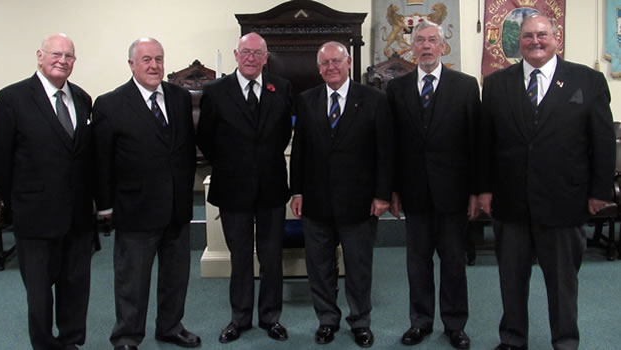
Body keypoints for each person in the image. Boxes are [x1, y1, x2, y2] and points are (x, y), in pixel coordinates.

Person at [478, 14, 615, 350]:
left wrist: (600, 191)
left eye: (542, 35)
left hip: (564, 201)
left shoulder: (588, 80)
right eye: (527, 36)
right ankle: (512, 338)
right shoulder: (497, 83)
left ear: (557, 38)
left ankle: (565, 341)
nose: (535, 41)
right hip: (511, 202)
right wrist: (483, 189)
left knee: (562, 283)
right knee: (511, 280)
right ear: (517, 42)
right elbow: (485, 142)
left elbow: (602, 140)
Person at [0, 33, 94, 350]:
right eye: (56, 54)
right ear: (39, 56)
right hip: (35, 214)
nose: (63, 61)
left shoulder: (83, 99)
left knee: (76, 285)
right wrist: (17, 199)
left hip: (77, 215)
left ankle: (71, 341)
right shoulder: (12, 98)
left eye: (69, 56)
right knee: (39, 291)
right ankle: (45, 345)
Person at [92, 37, 200, 350]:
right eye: (146, 60)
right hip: (135, 207)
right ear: (131, 65)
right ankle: (126, 336)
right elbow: (101, 160)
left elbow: (182, 149)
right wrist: (105, 206)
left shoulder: (180, 98)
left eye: (159, 59)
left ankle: (170, 326)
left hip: (177, 207)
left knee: (176, 276)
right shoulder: (110, 104)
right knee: (132, 281)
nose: (154, 66)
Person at [290, 41, 393, 348]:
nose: (330, 67)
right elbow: (300, 151)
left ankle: (360, 321)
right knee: (319, 267)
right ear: (318, 68)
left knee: (358, 267)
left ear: (348, 62)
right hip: (316, 201)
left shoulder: (374, 99)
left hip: (360, 202)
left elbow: (385, 152)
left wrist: (382, 195)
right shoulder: (307, 100)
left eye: (336, 61)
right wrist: (296, 190)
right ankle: (327, 319)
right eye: (324, 64)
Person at [196, 32, 292, 344]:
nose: (250, 58)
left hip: (271, 186)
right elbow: (206, 138)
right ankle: (239, 318)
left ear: (266, 58)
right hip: (232, 186)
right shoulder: (215, 91)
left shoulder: (282, 88)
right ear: (236, 56)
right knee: (239, 257)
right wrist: (233, 163)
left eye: (257, 53)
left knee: (271, 256)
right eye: (245, 52)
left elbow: (282, 135)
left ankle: (270, 318)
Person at [387, 20, 478, 350]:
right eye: (420, 41)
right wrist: (392, 189)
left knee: (454, 263)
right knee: (417, 263)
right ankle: (420, 322)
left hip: (453, 193)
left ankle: (455, 324)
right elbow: (391, 145)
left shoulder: (466, 87)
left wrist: (474, 190)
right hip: (414, 193)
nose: (426, 46)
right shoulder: (396, 89)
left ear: (443, 47)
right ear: (412, 48)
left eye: (432, 41)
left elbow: (475, 143)